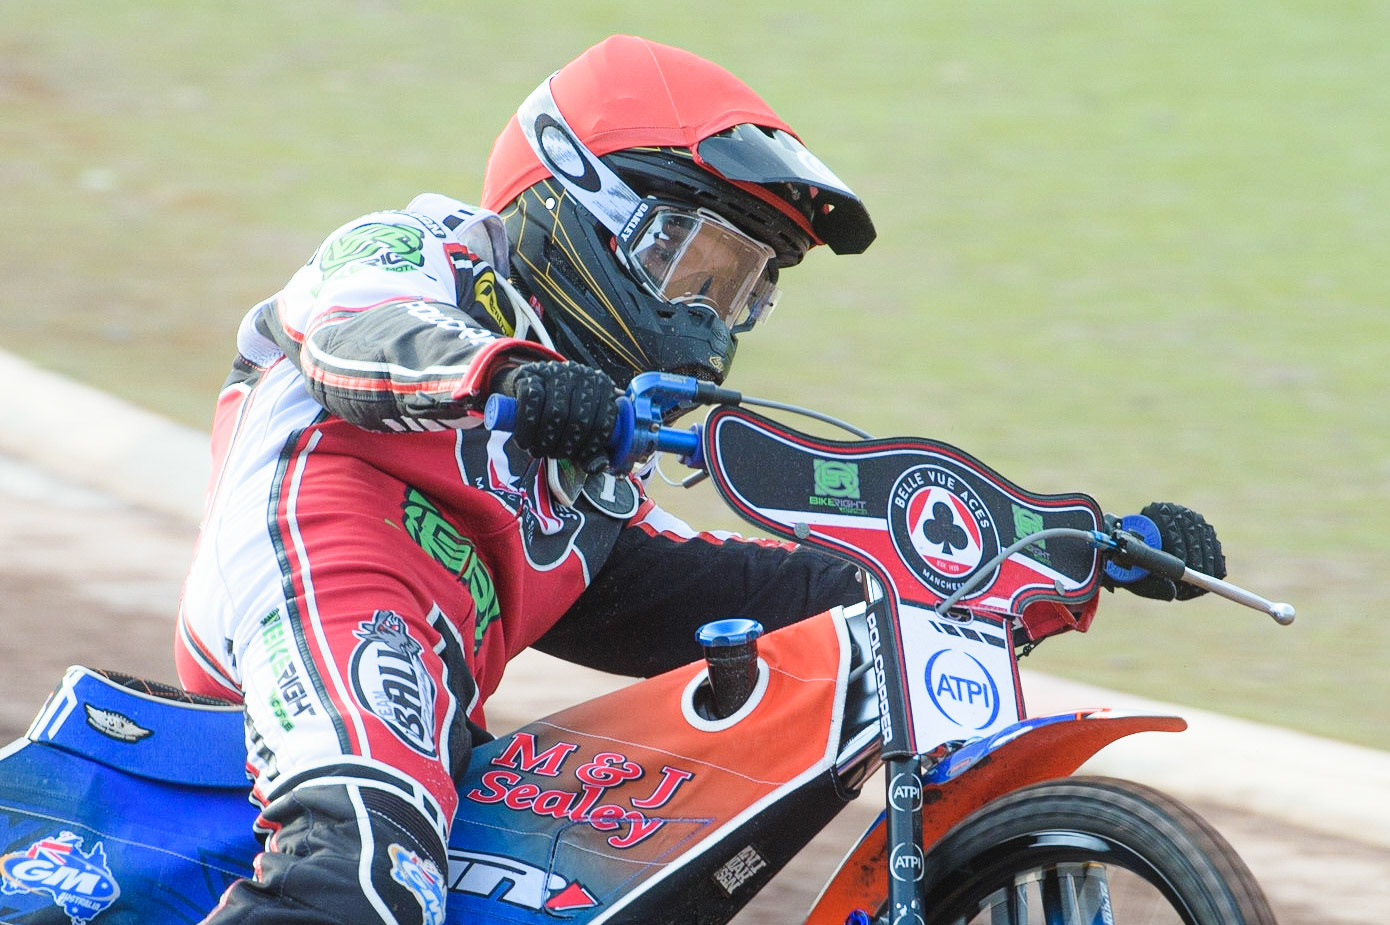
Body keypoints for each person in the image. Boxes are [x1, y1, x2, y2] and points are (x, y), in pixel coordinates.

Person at [175, 34, 1224, 925]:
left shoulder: (592, 470)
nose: (707, 318)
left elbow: (688, 582)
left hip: (445, 657)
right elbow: (355, 342)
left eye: (745, 289)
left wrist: (1050, 558)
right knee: (364, 873)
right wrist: (514, 378)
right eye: (695, 263)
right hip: (319, 560)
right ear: (573, 200)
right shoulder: (424, 249)